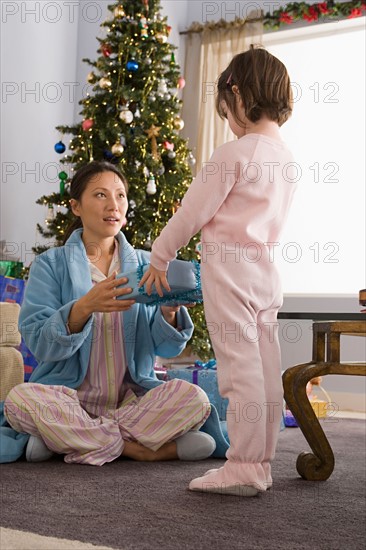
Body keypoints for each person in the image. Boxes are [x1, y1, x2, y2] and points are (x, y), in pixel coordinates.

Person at [140, 46, 296, 496]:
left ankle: (243, 465)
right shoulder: (286, 160)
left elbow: (191, 213)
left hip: (230, 275)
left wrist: (159, 257)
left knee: (239, 371)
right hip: (265, 276)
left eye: (227, 112)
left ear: (240, 95)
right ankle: (259, 463)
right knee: (266, 371)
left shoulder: (234, 153)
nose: (228, 121)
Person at [3, 161, 217, 465]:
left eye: (120, 196)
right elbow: (39, 342)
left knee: (195, 399)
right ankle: (138, 448)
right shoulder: (50, 265)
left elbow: (167, 348)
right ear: (76, 206)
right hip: (68, 397)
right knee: (19, 401)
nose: (113, 205)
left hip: (132, 399)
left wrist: (168, 313)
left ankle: (67, 440)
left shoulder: (149, 264)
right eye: (101, 195)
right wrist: (84, 307)